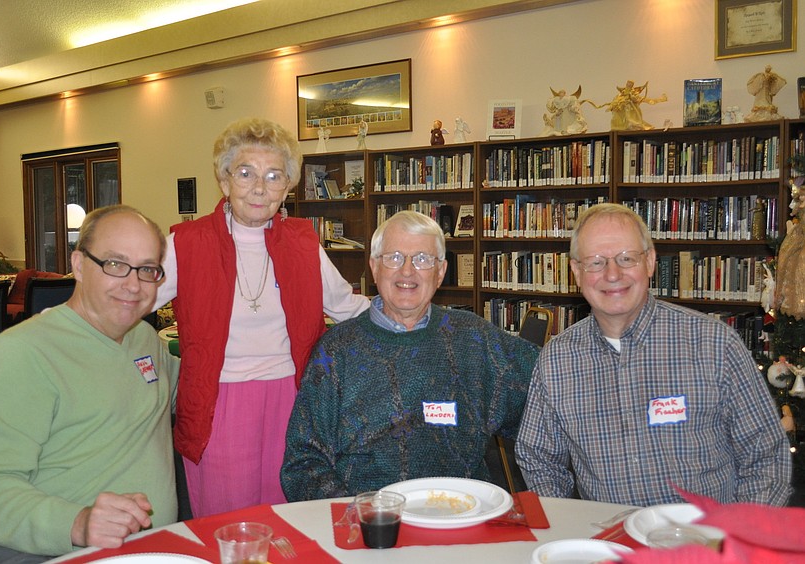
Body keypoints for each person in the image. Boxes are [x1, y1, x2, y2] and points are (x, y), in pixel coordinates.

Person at [156, 117, 369, 517]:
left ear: (286, 187)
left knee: (291, 515)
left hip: (292, 398)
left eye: (273, 176)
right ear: (224, 181)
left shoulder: (304, 243)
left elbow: (347, 306)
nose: (259, 187)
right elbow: (134, 299)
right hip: (217, 402)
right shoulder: (187, 244)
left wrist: (410, 312)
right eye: (245, 173)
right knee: (227, 521)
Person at [515, 203, 792, 507]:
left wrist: (738, 532)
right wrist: (569, 522)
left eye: (626, 258)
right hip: (610, 535)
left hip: (706, 534)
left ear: (649, 262)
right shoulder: (557, 360)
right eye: (595, 262)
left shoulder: (714, 344)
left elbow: (766, 455)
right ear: (576, 273)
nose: (612, 274)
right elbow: (537, 456)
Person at [0, 205, 180, 562]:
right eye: (115, 264)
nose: (133, 284)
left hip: (146, 549)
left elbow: (188, 391)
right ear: (78, 265)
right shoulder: (21, 354)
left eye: (147, 269)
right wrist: (78, 523)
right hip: (43, 551)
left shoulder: (143, 337)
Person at [280, 210, 539, 500]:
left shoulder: (476, 340)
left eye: (422, 259)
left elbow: (550, 389)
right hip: (370, 518)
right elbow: (303, 461)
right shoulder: (335, 352)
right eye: (393, 257)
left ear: (440, 272)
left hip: (461, 512)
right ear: (374, 267)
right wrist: (358, 512)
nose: (407, 271)